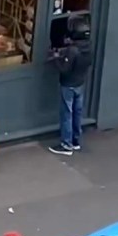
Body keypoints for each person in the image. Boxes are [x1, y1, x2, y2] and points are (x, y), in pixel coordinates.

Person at [49, 13, 93, 156]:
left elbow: (64, 69)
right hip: (80, 83)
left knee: (67, 114)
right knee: (77, 113)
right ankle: (75, 141)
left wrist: (56, 58)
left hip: (68, 84)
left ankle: (66, 144)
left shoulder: (73, 50)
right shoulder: (88, 47)